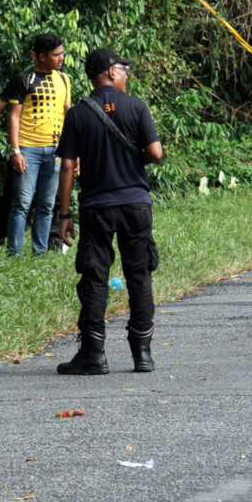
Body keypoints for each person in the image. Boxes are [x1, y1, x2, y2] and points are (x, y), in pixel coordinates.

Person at [54, 48, 163, 375]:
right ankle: (142, 354)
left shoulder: (77, 113)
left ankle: (93, 354)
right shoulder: (137, 107)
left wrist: (64, 214)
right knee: (139, 274)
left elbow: (68, 168)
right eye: (123, 70)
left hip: (96, 207)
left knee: (94, 277)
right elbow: (155, 153)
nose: (127, 75)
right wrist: (133, 162)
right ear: (111, 73)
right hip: (135, 205)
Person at [0, 33, 70, 257]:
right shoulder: (24, 79)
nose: (61, 58)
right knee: (22, 204)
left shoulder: (64, 79)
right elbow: (13, 116)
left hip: (55, 151)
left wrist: (72, 151)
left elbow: (67, 115)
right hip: (28, 150)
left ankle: (40, 253)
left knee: (46, 205)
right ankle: (14, 252)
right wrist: (15, 151)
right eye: (56, 55)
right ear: (41, 57)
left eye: (62, 53)